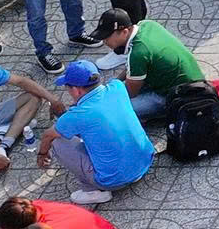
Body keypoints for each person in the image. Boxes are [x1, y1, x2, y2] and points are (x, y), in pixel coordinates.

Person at [39, 60, 151, 204]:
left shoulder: (77, 115)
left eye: (67, 88)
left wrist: (42, 154)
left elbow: (48, 135)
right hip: (144, 163)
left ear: (76, 90)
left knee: (56, 141)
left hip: (114, 181)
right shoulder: (117, 87)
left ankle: (92, 191)